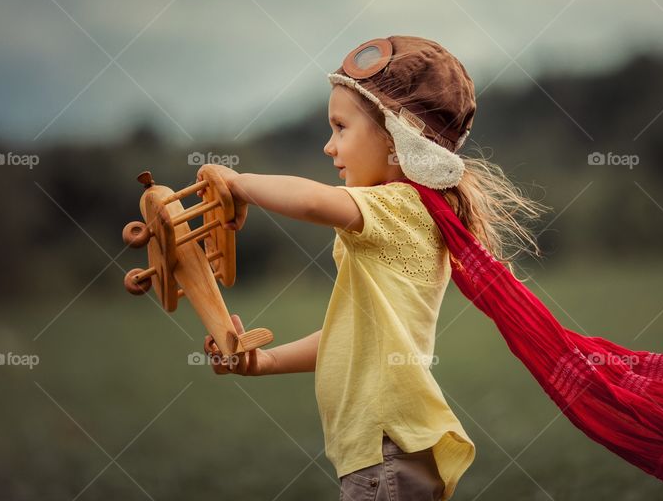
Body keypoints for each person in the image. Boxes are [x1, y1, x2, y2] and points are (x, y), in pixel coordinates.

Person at [199, 35, 547, 500]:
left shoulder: (401, 208)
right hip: (384, 453)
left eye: (340, 127)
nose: (329, 146)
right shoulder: (402, 218)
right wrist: (263, 362)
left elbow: (310, 202)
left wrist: (237, 183)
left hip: (385, 453)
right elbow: (350, 339)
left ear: (394, 136)